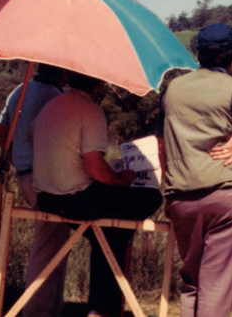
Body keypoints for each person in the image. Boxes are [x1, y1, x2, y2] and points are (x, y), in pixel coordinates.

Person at [158, 23, 232, 317]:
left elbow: (161, 145)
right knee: (217, 283)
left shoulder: (172, 89)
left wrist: (169, 191)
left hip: (182, 197)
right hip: (227, 194)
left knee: (192, 282)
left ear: (198, 55)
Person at [32, 71, 163, 317]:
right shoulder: (91, 111)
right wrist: (120, 179)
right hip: (77, 200)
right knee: (152, 197)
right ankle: (101, 310)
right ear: (100, 83)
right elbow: (94, 167)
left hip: (46, 197)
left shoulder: (51, 105)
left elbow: (31, 136)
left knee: (112, 235)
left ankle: (101, 309)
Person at [0, 63, 70, 317]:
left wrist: (17, 158)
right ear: (61, 72)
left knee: (53, 243)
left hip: (25, 176)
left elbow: (0, 131)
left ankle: (50, 308)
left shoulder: (19, 90)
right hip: (45, 180)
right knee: (48, 246)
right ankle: (38, 311)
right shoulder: (55, 96)